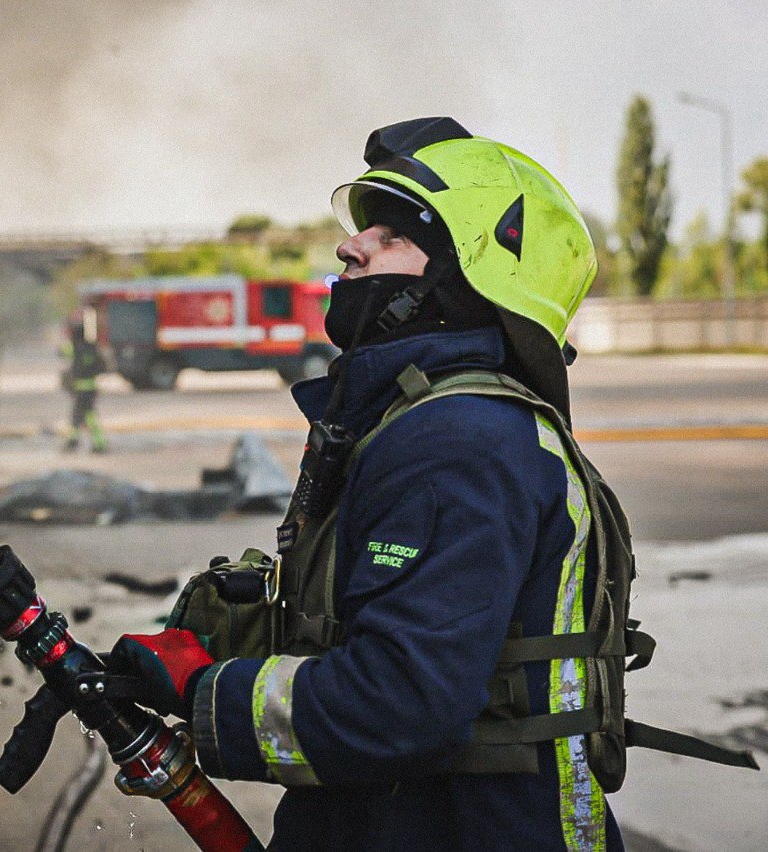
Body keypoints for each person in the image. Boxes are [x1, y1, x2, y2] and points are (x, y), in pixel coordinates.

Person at [105, 117, 630, 850]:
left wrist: (201, 691)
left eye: (394, 236)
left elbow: (399, 704)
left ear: (463, 283)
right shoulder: (421, 422)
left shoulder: (458, 442)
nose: (351, 246)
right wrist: (224, 646)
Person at [61, 313, 107, 453]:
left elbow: (61, 352)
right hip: (91, 388)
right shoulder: (92, 347)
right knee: (89, 415)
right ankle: (98, 443)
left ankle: (74, 442)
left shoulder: (74, 347)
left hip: (79, 388)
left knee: (77, 416)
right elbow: (102, 366)